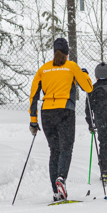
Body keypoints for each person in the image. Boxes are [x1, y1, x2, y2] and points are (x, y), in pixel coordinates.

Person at [28, 38, 93, 201]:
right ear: (67, 53)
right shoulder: (71, 66)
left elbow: (34, 95)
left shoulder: (43, 69)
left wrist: (33, 120)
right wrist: (85, 75)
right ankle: (61, 178)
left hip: (47, 113)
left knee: (54, 150)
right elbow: (88, 88)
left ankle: (56, 191)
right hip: (65, 111)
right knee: (66, 148)